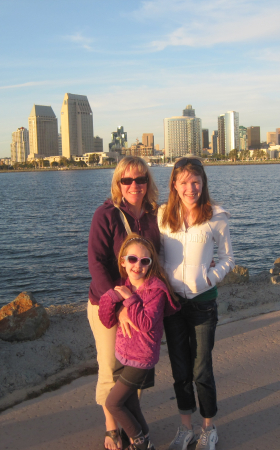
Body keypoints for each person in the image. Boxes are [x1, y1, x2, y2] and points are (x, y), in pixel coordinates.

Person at [158, 158, 234, 450]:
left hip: (203, 304)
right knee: (180, 370)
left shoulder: (216, 215)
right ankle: (185, 428)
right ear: (174, 185)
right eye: (184, 182)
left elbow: (229, 258)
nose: (190, 188)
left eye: (195, 181)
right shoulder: (164, 215)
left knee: (201, 369)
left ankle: (208, 428)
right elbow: (162, 256)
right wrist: (167, 280)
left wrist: (208, 278)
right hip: (173, 304)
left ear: (203, 182)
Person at [87, 156, 160, 450]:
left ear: (147, 183)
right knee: (110, 368)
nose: (134, 185)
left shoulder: (155, 215)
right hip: (107, 305)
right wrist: (119, 306)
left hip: (141, 307)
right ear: (118, 183)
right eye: (127, 180)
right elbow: (96, 263)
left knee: (135, 369)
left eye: (140, 179)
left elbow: (163, 259)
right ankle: (111, 428)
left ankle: (133, 429)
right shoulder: (105, 215)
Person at [99, 233, 180, 450]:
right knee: (130, 403)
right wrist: (112, 299)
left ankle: (139, 441)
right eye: (133, 259)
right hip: (123, 354)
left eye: (145, 261)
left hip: (141, 358)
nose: (138, 266)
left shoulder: (156, 291)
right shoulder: (124, 286)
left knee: (113, 403)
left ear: (151, 264)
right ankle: (145, 435)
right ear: (123, 261)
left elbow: (145, 323)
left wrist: (130, 299)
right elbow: (106, 320)